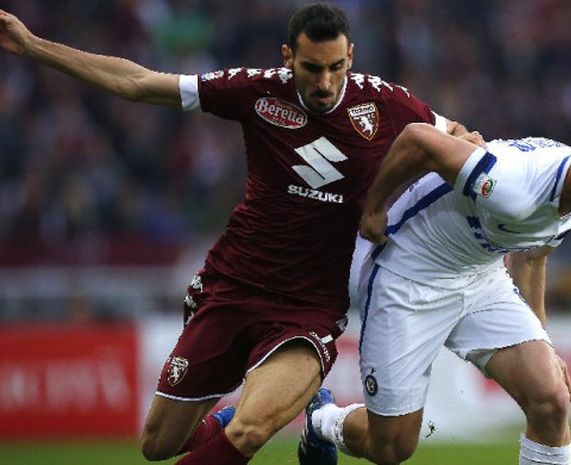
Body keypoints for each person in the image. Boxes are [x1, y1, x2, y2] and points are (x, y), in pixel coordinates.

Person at [0, 4, 465, 465]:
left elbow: (461, 137)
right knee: (158, 444)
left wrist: (497, 190)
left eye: (335, 68)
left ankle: (289, 417)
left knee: (252, 429)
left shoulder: (385, 103)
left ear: (351, 57)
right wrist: (33, 46)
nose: (324, 83)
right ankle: (231, 420)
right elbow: (139, 83)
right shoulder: (255, 91)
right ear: (288, 57)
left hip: (308, 309)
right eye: (311, 68)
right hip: (232, 288)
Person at [305, 110, 571, 465]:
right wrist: (374, 207)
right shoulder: (514, 187)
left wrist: (542, 342)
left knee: (551, 399)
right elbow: (416, 138)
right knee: (392, 447)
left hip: (480, 275)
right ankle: (323, 420)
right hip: (408, 275)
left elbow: (532, 258)